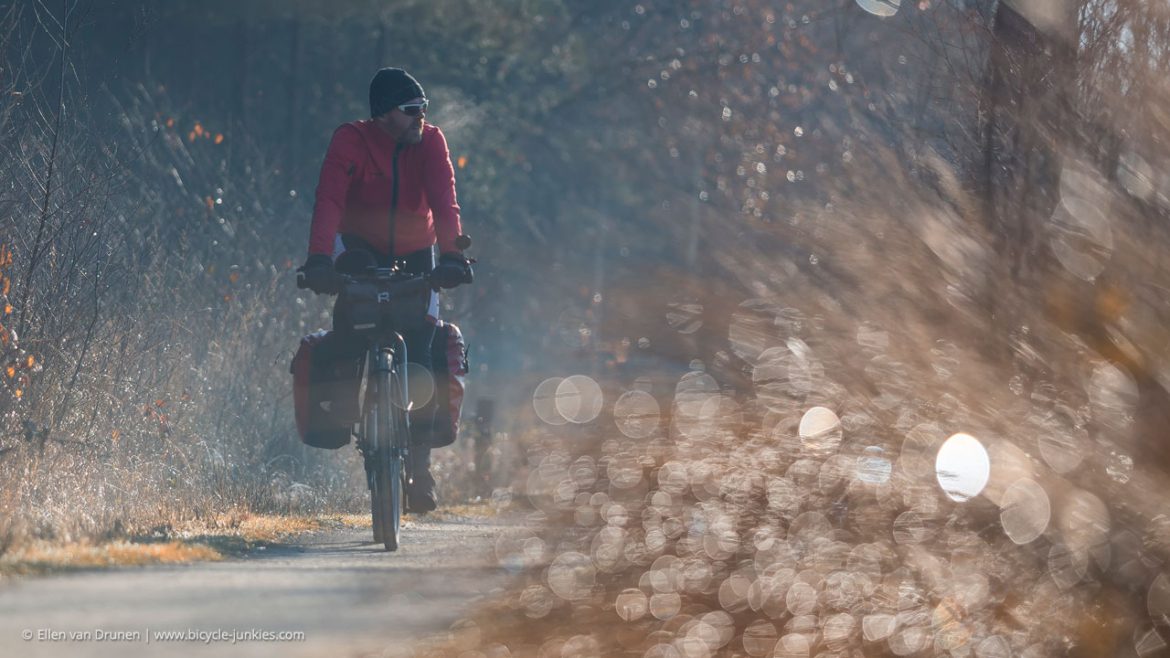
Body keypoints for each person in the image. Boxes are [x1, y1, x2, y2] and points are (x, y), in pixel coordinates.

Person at [298, 67, 473, 513]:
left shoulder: (431, 141)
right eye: (411, 110)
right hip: (356, 247)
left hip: (419, 250)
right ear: (382, 115)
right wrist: (319, 258)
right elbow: (329, 200)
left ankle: (420, 466)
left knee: (423, 342)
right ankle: (344, 415)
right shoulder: (350, 140)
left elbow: (444, 200)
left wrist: (453, 256)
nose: (421, 117)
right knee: (350, 328)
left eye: (424, 109)